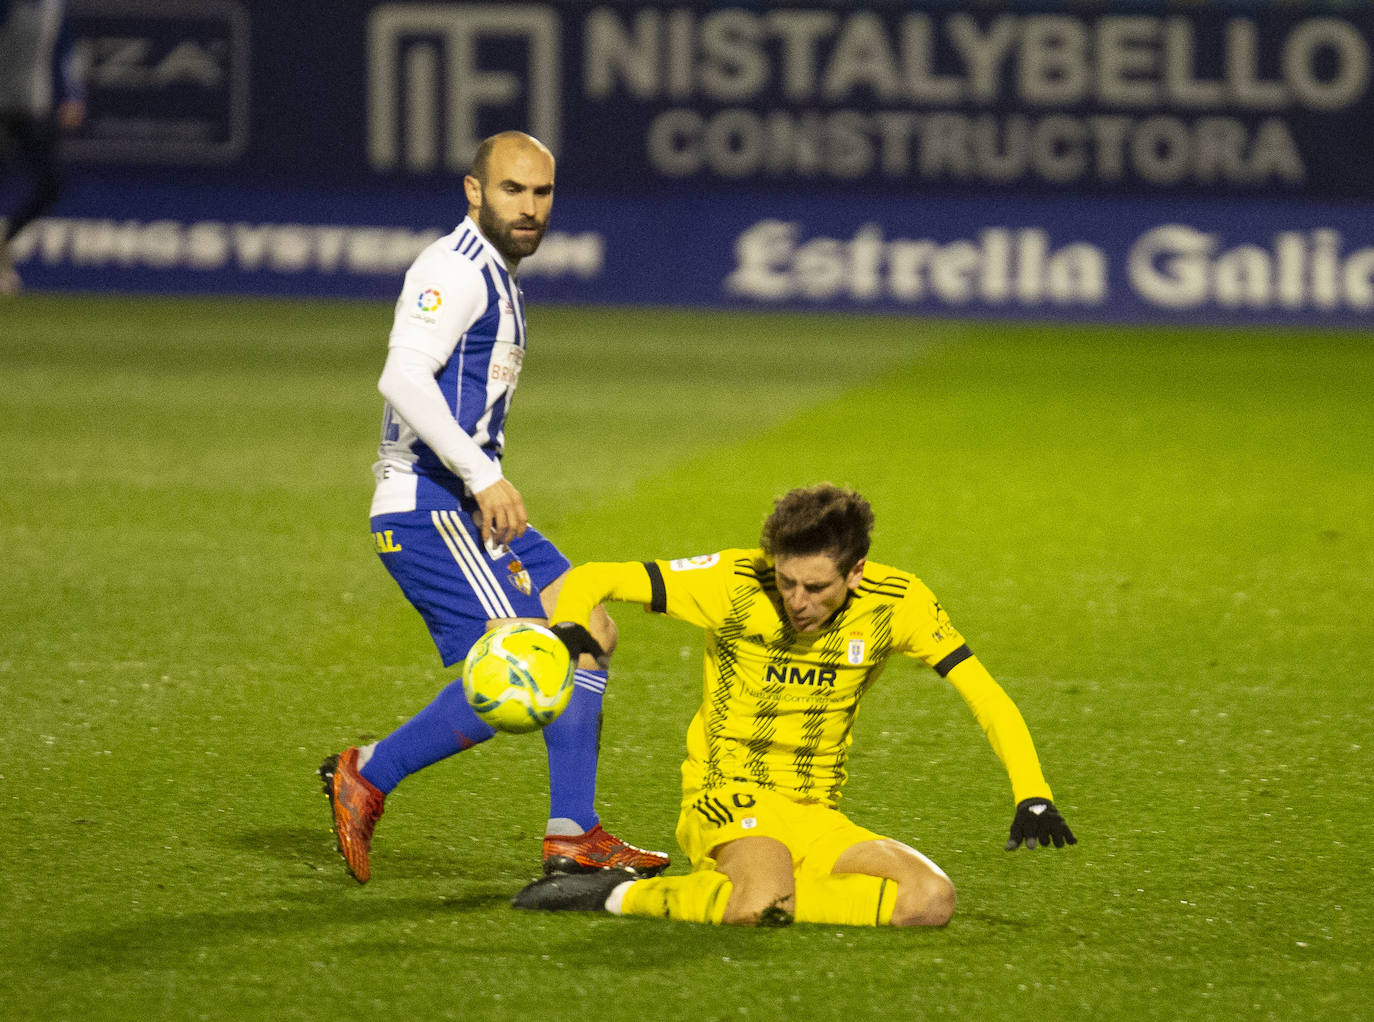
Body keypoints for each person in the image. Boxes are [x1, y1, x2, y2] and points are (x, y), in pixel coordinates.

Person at [318, 131, 667, 884]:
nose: (530, 208)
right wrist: (482, 476)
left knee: (589, 626)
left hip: (465, 504)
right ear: (474, 191)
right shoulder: (455, 268)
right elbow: (402, 377)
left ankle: (574, 837)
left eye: (542, 194)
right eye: (513, 190)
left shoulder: (497, 274)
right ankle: (369, 774)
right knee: (526, 669)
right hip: (429, 504)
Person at [515, 483, 1075, 927]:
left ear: (856, 572)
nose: (797, 601)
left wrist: (1034, 794)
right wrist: (569, 628)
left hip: (813, 812)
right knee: (761, 905)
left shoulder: (898, 603)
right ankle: (619, 896)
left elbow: (985, 693)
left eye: (815, 587)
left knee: (930, 901)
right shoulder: (732, 582)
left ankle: (751, 890)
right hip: (726, 795)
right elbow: (592, 577)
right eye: (787, 582)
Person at [0, 0, 85, 295]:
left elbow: (65, 51)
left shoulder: (53, 7)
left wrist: (73, 94)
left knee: (51, 183)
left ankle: (4, 240)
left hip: (34, 109)